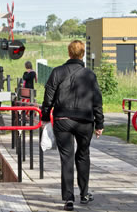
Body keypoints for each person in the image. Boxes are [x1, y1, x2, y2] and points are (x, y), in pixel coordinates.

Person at [41, 40, 104, 211]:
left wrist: (45, 117)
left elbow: (48, 98)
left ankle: (68, 199)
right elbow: (97, 101)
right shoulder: (90, 75)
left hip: (63, 121)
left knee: (66, 158)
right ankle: (84, 193)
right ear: (82, 54)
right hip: (85, 121)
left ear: (69, 53)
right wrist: (99, 123)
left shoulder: (57, 72)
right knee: (83, 155)